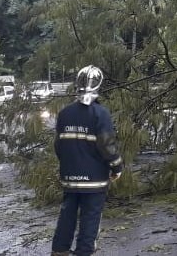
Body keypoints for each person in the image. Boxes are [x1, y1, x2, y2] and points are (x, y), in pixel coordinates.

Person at [51, 65, 123, 256]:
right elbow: (107, 145)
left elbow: (58, 146)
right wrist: (117, 167)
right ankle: (84, 251)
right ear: (99, 85)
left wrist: (69, 166)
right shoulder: (101, 113)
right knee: (90, 218)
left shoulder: (65, 113)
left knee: (67, 215)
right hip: (94, 179)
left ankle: (59, 250)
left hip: (69, 177)